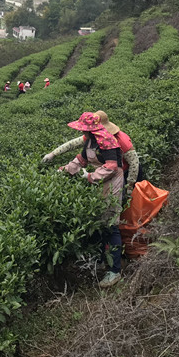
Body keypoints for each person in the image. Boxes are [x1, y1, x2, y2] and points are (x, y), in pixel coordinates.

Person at [58, 112, 125, 288]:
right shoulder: (89, 140)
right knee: (100, 223)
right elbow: (81, 159)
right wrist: (66, 169)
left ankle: (115, 270)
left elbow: (111, 167)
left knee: (111, 225)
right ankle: (103, 259)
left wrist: (90, 176)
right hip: (99, 181)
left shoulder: (107, 141)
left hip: (112, 182)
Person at [44, 111, 142, 196]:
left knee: (116, 202)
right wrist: (54, 156)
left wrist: (130, 185)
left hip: (124, 172)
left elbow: (133, 163)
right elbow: (73, 146)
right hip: (102, 174)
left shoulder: (120, 140)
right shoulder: (91, 138)